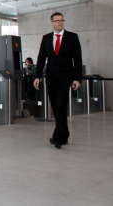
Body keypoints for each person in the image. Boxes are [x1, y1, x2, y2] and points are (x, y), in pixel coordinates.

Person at [34, 12, 82, 149]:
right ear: (52, 22)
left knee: (60, 105)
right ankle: (64, 133)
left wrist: (77, 79)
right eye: (57, 21)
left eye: (62, 20)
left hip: (66, 77)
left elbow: (78, 60)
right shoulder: (46, 38)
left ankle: (58, 138)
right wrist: (37, 76)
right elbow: (41, 59)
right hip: (51, 77)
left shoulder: (72, 37)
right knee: (55, 106)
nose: (60, 22)